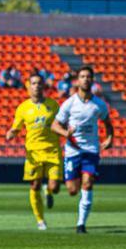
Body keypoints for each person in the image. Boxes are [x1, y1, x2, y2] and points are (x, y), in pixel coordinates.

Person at [51, 66, 113, 234]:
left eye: (88, 77)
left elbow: (108, 123)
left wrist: (109, 138)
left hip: (91, 150)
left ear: (92, 80)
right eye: (82, 76)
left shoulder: (99, 105)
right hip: (72, 151)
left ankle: (81, 224)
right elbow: (54, 125)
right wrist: (66, 133)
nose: (85, 79)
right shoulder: (69, 103)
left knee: (88, 182)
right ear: (77, 80)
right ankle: (49, 189)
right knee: (72, 190)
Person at [6, 73, 63, 230]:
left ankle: (49, 191)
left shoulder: (54, 105)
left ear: (43, 86)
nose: (36, 86)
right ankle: (40, 220)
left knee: (55, 187)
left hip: (52, 151)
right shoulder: (23, 108)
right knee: (35, 185)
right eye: (33, 83)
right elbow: (16, 127)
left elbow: (61, 123)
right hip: (33, 152)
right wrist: (11, 133)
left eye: (39, 83)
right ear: (28, 86)